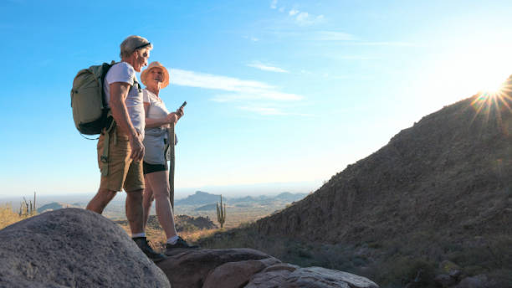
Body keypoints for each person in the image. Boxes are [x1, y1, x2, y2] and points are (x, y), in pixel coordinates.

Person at [86, 36, 166, 263]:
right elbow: (117, 103)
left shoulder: (127, 73)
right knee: (109, 190)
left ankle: (139, 242)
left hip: (132, 140)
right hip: (120, 138)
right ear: (136, 52)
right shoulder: (123, 69)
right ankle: (83, 239)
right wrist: (132, 135)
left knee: (136, 191)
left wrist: (136, 138)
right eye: (146, 56)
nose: (146, 61)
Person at [140, 61, 198, 254]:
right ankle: (172, 240)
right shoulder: (144, 95)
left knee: (148, 195)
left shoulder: (159, 100)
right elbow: (140, 123)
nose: (157, 75)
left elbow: (162, 124)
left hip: (158, 147)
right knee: (162, 192)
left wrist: (175, 118)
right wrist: (165, 119)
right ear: (146, 77)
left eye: (159, 73)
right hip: (151, 148)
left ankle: (138, 237)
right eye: (153, 72)